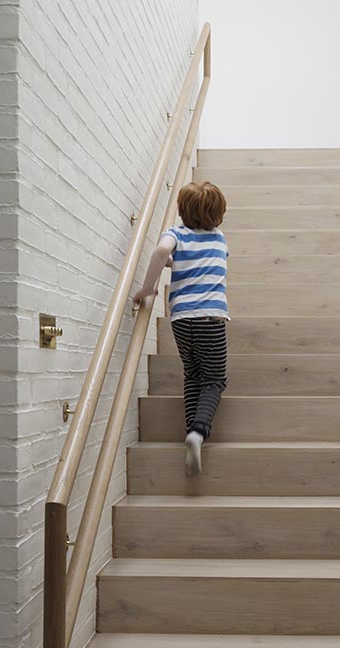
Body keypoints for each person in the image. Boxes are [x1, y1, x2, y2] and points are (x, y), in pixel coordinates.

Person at [133, 181, 229, 477]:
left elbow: (163, 250)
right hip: (211, 318)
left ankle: (189, 427)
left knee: (192, 373)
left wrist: (147, 289)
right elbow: (207, 261)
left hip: (181, 319)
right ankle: (198, 432)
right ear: (218, 213)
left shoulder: (175, 233)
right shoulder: (220, 239)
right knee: (214, 379)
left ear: (182, 210)